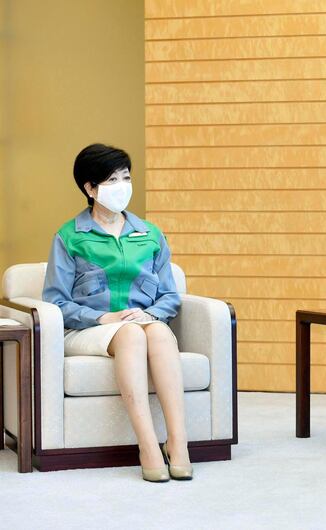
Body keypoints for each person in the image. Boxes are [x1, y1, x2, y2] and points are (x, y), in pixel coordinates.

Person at [43, 144, 192, 482]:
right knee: (129, 334)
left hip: (140, 324)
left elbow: (170, 294)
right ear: (90, 188)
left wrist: (150, 314)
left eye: (126, 177)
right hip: (89, 331)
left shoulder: (149, 234)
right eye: (111, 180)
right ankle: (148, 446)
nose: (122, 185)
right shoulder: (70, 236)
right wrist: (102, 318)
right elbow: (55, 300)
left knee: (154, 332)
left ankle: (178, 443)